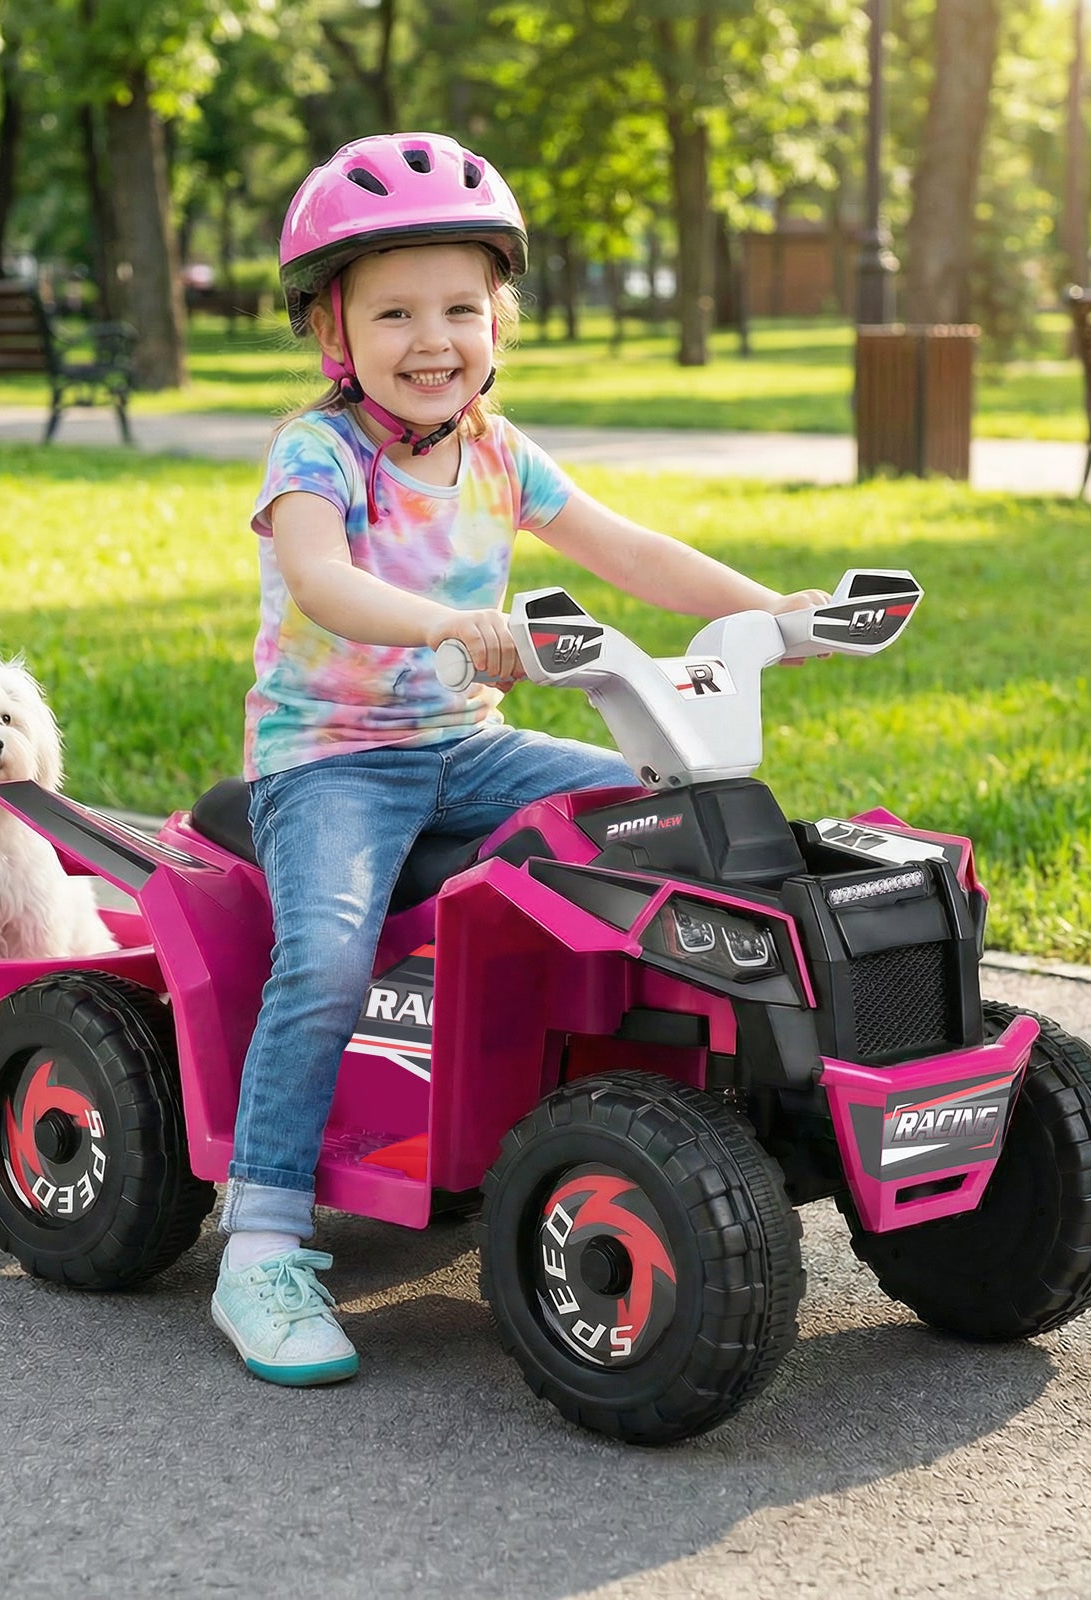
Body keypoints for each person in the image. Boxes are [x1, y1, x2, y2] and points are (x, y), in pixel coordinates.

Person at [210, 131, 826, 1386]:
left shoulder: (499, 449)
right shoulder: (315, 456)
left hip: (467, 748)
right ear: (334, 331)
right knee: (323, 948)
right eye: (393, 311)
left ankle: (657, 1091)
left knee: (657, 811)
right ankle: (261, 1238)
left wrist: (772, 613)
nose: (431, 338)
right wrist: (445, 621)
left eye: (459, 306)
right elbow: (321, 581)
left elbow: (627, 549)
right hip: (328, 759)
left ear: (499, 318)